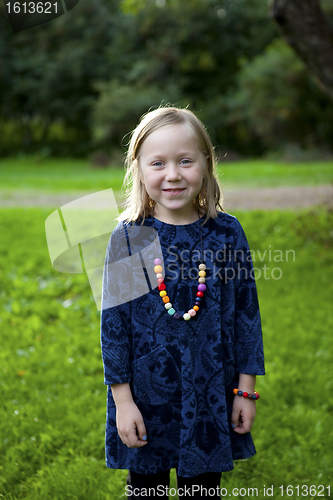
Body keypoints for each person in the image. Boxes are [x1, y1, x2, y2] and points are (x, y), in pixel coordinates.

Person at [100, 106, 265, 499]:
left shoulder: (226, 233)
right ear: (138, 168)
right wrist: (122, 401)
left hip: (211, 394)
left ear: (206, 165)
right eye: (158, 163)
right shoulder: (129, 237)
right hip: (145, 397)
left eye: (185, 161)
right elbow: (114, 327)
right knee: (147, 490)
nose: (172, 174)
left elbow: (247, 313)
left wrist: (245, 390)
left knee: (202, 492)